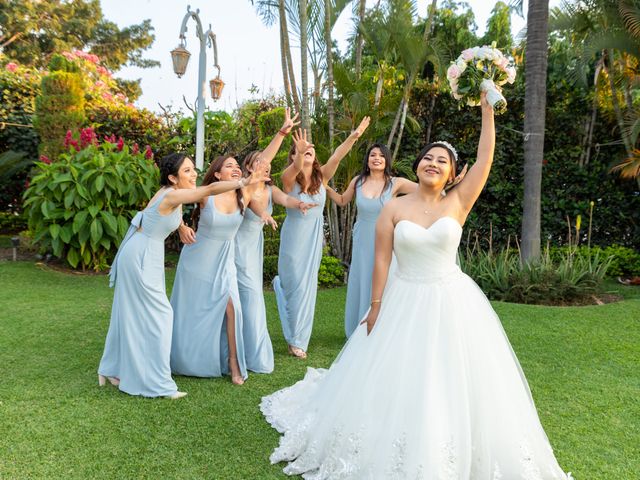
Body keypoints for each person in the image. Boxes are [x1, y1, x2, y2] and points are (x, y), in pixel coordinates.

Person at [260, 94, 573, 479]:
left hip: (452, 301)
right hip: (402, 298)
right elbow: (381, 259)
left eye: (443, 160)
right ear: (417, 165)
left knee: (451, 376)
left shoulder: (459, 201)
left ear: (454, 173)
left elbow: (485, 159)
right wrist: (375, 304)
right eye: (428, 157)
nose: (433, 163)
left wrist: (488, 110)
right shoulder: (395, 206)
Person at [98, 153, 267, 399]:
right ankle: (158, 384)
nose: (194, 174)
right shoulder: (174, 194)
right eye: (187, 171)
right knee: (162, 317)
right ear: (172, 177)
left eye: (192, 169)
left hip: (146, 253)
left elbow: (153, 214)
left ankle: (112, 369)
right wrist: (243, 182)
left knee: (130, 313)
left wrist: (181, 226)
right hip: (141, 256)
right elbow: (208, 190)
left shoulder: (170, 193)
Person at [326, 143, 466, 338]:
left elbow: (427, 189)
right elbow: (342, 201)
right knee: (361, 278)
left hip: (388, 236)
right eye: (372, 155)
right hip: (363, 238)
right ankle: (356, 328)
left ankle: (382, 321)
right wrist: (322, 186)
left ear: (386, 161)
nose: (376, 158)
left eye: (381, 156)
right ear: (367, 159)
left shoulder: (396, 183)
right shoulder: (358, 181)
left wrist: (450, 183)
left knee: (382, 275)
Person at [170, 155, 273, 385]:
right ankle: (185, 357)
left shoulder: (243, 194)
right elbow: (172, 200)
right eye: (229, 166)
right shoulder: (208, 193)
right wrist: (181, 227)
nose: (236, 168)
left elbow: (263, 164)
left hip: (224, 261)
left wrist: (263, 213)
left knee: (231, 307)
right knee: (192, 311)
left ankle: (233, 362)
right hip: (197, 261)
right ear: (217, 174)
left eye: (238, 166)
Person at [273, 119, 370, 359]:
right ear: (294, 154)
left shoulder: (322, 178)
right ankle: (292, 326)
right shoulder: (288, 179)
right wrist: (299, 152)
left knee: (307, 288)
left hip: (313, 238)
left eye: (311, 151)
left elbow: (337, 157)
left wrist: (354, 136)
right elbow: (294, 169)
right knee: (292, 283)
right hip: (294, 238)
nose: (308, 152)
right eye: (302, 150)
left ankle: (298, 340)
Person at [234, 151, 318, 374]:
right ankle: (251, 353)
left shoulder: (271, 190)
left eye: (267, 163)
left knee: (247, 296)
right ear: (249, 167)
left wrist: (299, 204)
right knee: (250, 296)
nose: (266, 166)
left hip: (254, 247)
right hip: (238, 247)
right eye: (259, 162)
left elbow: (285, 199)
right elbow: (253, 205)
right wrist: (264, 214)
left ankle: (242, 345)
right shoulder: (245, 188)